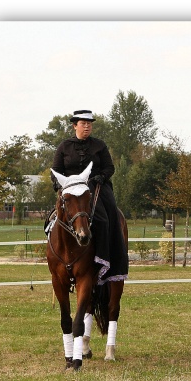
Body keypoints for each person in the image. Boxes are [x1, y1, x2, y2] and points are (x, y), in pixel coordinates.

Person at [51, 110, 128, 284]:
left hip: (95, 187)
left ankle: (102, 259)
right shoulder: (64, 146)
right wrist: (58, 185)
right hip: (70, 190)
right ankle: (55, 257)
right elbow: (56, 171)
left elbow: (110, 167)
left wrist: (102, 176)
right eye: (83, 123)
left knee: (105, 219)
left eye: (89, 123)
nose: (87, 126)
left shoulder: (99, 145)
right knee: (52, 221)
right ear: (74, 125)